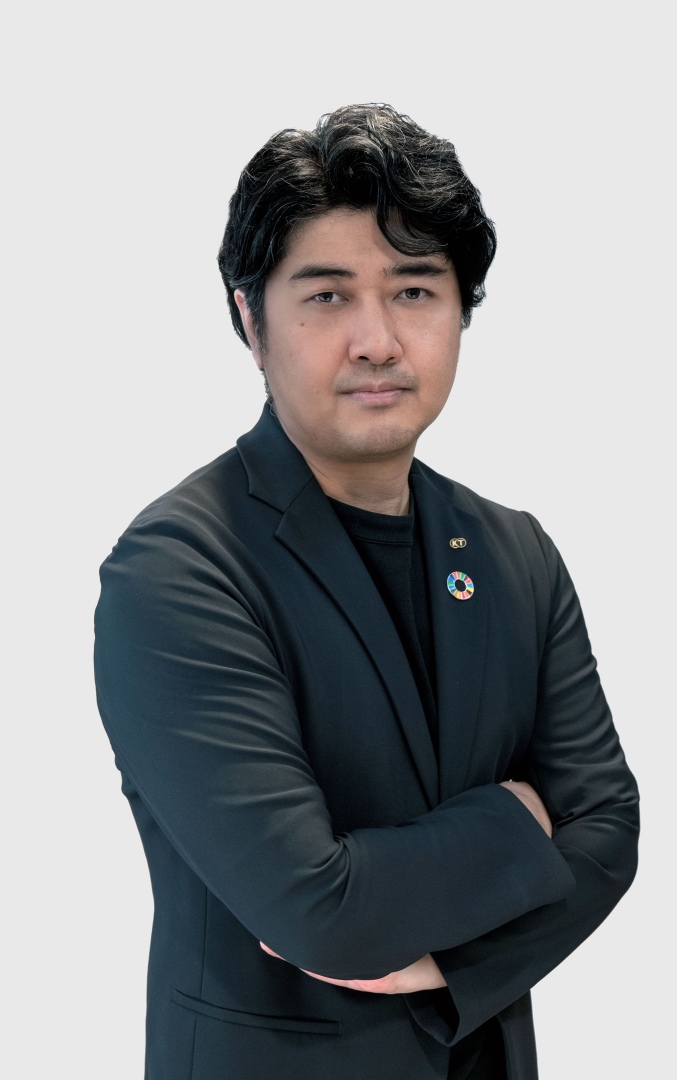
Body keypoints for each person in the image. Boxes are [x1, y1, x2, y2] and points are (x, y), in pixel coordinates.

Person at [94, 103, 639, 1080]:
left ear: (462, 311)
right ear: (250, 318)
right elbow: (321, 911)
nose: (378, 340)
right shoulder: (178, 569)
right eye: (328, 296)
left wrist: (450, 963)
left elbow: (608, 833)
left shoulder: (515, 552)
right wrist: (522, 819)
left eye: (415, 290)